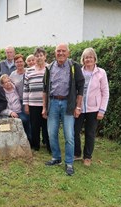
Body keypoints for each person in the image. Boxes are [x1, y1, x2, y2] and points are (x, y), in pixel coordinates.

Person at [42, 43, 85, 176]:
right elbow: (44, 89)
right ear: (55, 53)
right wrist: (44, 107)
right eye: (58, 51)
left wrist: (78, 106)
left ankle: (69, 163)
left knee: (69, 135)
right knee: (51, 133)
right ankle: (56, 158)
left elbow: (80, 88)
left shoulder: (74, 66)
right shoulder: (49, 68)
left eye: (63, 51)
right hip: (53, 103)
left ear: (68, 53)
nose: (60, 53)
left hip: (68, 104)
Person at [74, 47, 109, 166]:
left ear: (94, 59)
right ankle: (77, 153)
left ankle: (87, 157)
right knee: (75, 131)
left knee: (90, 133)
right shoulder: (79, 71)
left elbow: (105, 92)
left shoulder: (101, 73)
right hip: (79, 107)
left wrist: (102, 110)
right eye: (85, 57)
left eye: (90, 57)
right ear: (82, 59)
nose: (88, 59)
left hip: (94, 109)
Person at [23, 47, 50, 153]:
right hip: (33, 103)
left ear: (45, 56)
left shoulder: (50, 68)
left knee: (47, 126)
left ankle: (49, 145)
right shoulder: (29, 71)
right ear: (34, 57)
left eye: (41, 55)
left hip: (46, 103)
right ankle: (35, 146)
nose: (39, 57)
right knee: (34, 125)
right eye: (37, 56)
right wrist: (26, 104)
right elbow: (25, 88)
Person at [0, 74, 30, 139]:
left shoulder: (16, 88)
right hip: (7, 114)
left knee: (25, 120)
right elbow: (0, 108)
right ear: (2, 85)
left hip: (18, 111)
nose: (8, 83)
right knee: (6, 126)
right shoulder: (1, 93)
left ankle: (29, 140)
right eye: (5, 82)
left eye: (9, 81)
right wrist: (10, 112)